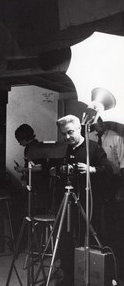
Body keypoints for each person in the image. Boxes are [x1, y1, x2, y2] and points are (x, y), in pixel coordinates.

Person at [55, 115, 113, 285]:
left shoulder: (93, 149)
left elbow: (108, 171)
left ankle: (89, 277)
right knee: (66, 239)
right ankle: (68, 276)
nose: (67, 137)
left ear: (79, 129)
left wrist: (92, 169)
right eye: (64, 134)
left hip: (88, 203)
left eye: (70, 133)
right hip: (68, 202)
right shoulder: (64, 149)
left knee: (88, 239)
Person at [89, 117, 124, 283]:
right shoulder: (90, 137)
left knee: (112, 221)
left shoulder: (116, 138)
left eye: (101, 121)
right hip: (95, 182)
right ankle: (97, 251)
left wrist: (120, 188)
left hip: (113, 182)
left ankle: (113, 258)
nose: (99, 124)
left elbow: (123, 166)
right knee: (95, 218)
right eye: (96, 122)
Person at [14, 124, 51, 215]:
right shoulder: (33, 146)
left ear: (25, 137)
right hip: (36, 184)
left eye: (19, 140)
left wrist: (23, 169)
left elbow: (41, 167)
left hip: (38, 185)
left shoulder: (34, 148)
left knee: (35, 211)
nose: (19, 143)